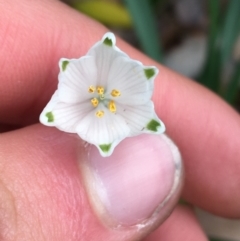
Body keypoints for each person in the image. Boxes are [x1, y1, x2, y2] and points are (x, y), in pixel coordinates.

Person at [0, 1, 239, 240]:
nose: (101, 99)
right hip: (88, 110)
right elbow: (55, 109)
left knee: (140, 107)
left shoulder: (124, 85)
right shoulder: (78, 85)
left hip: (113, 114)